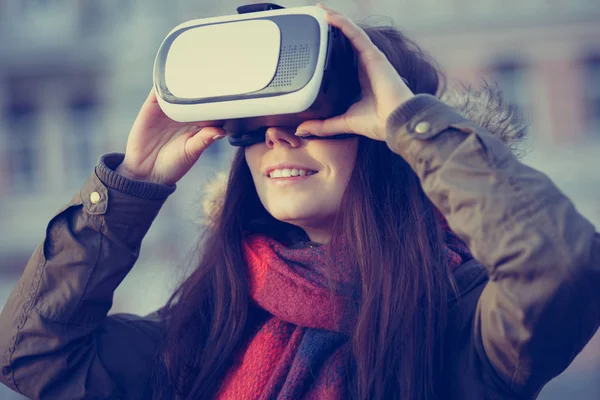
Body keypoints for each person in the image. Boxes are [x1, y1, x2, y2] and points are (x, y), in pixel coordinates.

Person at [1, 3, 599, 400]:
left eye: (317, 116)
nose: (278, 137)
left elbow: (564, 268)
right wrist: (131, 184)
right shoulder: (202, 333)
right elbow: (31, 354)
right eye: (257, 125)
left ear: (384, 139)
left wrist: (413, 126)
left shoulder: (461, 324)